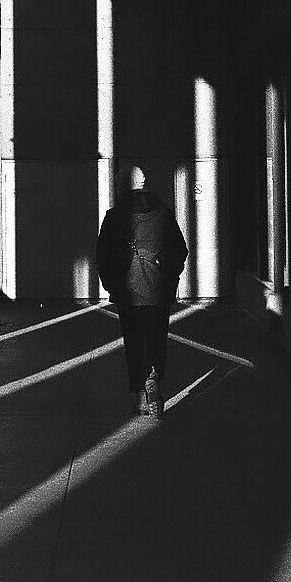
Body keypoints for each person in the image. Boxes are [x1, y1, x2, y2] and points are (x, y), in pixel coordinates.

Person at [96, 165, 188, 419]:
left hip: (129, 294)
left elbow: (102, 257)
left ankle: (141, 397)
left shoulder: (114, 218)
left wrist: (113, 285)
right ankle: (155, 376)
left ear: (124, 187)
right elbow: (181, 251)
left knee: (134, 343)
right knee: (157, 338)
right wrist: (169, 279)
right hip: (159, 293)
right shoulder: (164, 215)